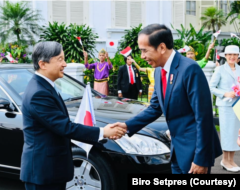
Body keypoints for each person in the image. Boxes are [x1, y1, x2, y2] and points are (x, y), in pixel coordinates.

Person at [112, 24, 222, 174]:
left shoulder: (190, 69)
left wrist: (201, 158)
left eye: (145, 50)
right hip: (176, 151)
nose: (142, 56)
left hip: (194, 154)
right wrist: (127, 126)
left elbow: (204, 118)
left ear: (162, 47)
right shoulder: (159, 71)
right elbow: (155, 107)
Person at [20, 41, 126, 190]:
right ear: (43, 64)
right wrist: (104, 132)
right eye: (60, 59)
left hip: (51, 170)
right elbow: (65, 127)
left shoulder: (45, 86)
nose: (65, 64)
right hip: (43, 173)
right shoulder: (39, 93)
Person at [209, 45, 240, 172]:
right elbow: (211, 87)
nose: (232, 57)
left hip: (238, 104)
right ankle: (225, 161)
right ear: (225, 56)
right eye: (229, 55)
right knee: (227, 133)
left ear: (238, 56)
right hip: (225, 105)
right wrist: (224, 93)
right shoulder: (220, 69)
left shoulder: (239, 69)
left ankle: (231, 160)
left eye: (235, 55)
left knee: (235, 133)